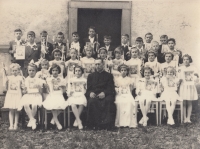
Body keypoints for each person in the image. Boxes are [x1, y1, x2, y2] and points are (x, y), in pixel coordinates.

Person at [86, 59, 115, 130]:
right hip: (94, 94)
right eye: (96, 64)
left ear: (103, 65)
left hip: (105, 94)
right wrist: (90, 93)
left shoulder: (109, 76)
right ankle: (94, 124)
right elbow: (88, 89)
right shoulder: (90, 76)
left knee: (108, 101)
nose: (97, 66)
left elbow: (111, 88)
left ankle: (106, 125)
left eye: (99, 64)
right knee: (92, 101)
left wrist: (104, 93)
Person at [18, 62, 43, 130]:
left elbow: (41, 91)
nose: (31, 72)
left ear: (36, 71)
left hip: (36, 95)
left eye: (33, 70)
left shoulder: (38, 80)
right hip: (28, 95)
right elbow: (24, 91)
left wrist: (39, 87)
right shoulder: (26, 79)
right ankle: (32, 120)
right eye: (30, 70)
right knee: (26, 104)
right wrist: (24, 89)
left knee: (34, 105)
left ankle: (30, 120)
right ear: (28, 71)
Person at [43, 64, 66, 130]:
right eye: (53, 70)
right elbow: (47, 90)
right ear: (51, 71)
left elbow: (64, 91)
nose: (55, 72)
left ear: (59, 71)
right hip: (52, 95)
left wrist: (61, 87)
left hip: (59, 94)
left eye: (56, 70)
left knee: (61, 106)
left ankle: (53, 120)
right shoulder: (48, 79)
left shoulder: (62, 79)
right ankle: (57, 123)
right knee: (53, 106)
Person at [178, 54, 199, 123]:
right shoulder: (180, 68)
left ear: (190, 60)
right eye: (184, 59)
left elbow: (196, 76)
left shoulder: (193, 68)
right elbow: (179, 77)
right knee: (183, 102)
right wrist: (179, 80)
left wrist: (194, 79)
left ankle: (188, 118)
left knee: (189, 102)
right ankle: (184, 118)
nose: (186, 61)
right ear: (182, 60)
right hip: (183, 86)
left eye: (187, 59)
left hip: (190, 86)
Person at [3, 63, 24, 130]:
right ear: (11, 71)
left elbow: (23, 86)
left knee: (17, 110)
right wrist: (4, 71)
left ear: (18, 71)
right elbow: (5, 83)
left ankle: (15, 124)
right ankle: (11, 125)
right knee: (11, 110)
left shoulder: (20, 78)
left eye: (16, 70)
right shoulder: (9, 78)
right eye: (13, 70)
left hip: (17, 95)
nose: (14, 72)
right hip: (11, 95)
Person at [67, 65, 87, 129]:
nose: (77, 72)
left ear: (82, 72)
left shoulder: (84, 80)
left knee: (81, 103)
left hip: (81, 94)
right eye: (76, 71)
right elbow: (69, 89)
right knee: (73, 105)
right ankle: (79, 121)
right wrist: (70, 92)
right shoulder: (71, 80)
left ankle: (76, 120)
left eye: (79, 71)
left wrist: (84, 87)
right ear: (74, 72)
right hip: (74, 95)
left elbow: (86, 90)